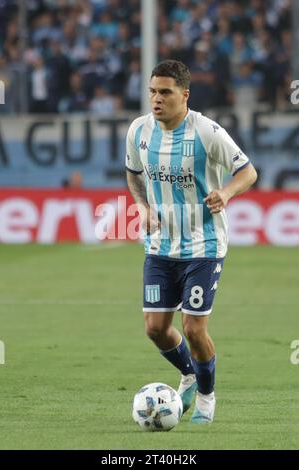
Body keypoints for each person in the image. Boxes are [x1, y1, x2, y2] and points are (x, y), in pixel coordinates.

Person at [126, 60, 257, 424]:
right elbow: (133, 172)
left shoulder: (207, 132)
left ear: (184, 95)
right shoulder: (139, 130)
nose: (156, 99)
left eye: (165, 92)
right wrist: (142, 206)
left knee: (194, 328)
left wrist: (227, 193)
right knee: (154, 328)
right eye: (152, 91)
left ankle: (205, 396)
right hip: (159, 245)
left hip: (204, 244)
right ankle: (187, 373)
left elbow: (247, 172)